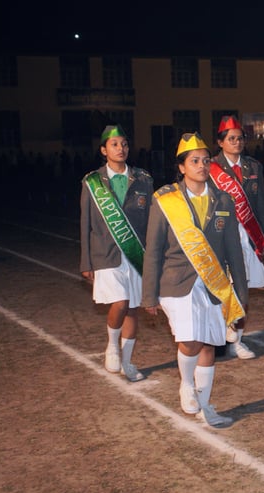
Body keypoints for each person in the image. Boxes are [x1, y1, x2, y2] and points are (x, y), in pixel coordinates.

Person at [142, 132, 248, 428]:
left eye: (205, 160)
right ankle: (187, 384)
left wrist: (241, 293)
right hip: (178, 283)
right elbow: (154, 250)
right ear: (181, 167)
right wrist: (149, 294)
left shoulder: (223, 199)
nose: (202, 165)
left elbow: (233, 251)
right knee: (190, 341)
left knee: (209, 345)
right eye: (194, 161)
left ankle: (205, 404)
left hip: (214, 285)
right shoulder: (166, 201)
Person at [80, 124, 153, 382]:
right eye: (114, 144)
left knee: (132, 308)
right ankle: (112, 346)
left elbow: (150, 220)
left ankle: (127, 361)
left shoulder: (143, 179)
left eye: (124, 144)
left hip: (136, 253)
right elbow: (86, 223)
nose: (120, 149)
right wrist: (86, 261)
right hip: (105, 254)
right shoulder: (92, 182)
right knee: (120, 302)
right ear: (104, 150)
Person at [210, 115, 264, 360]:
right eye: (232, 139)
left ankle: (238, 339)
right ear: (220, 142)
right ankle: (218, 337)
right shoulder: (210, 167)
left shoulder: (253, 167)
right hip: (221, 237)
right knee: (221, 290)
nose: (237, 142)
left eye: (240, 138)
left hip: (248, 235)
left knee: (243, 291)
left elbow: (261, 204)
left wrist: (263, 238)